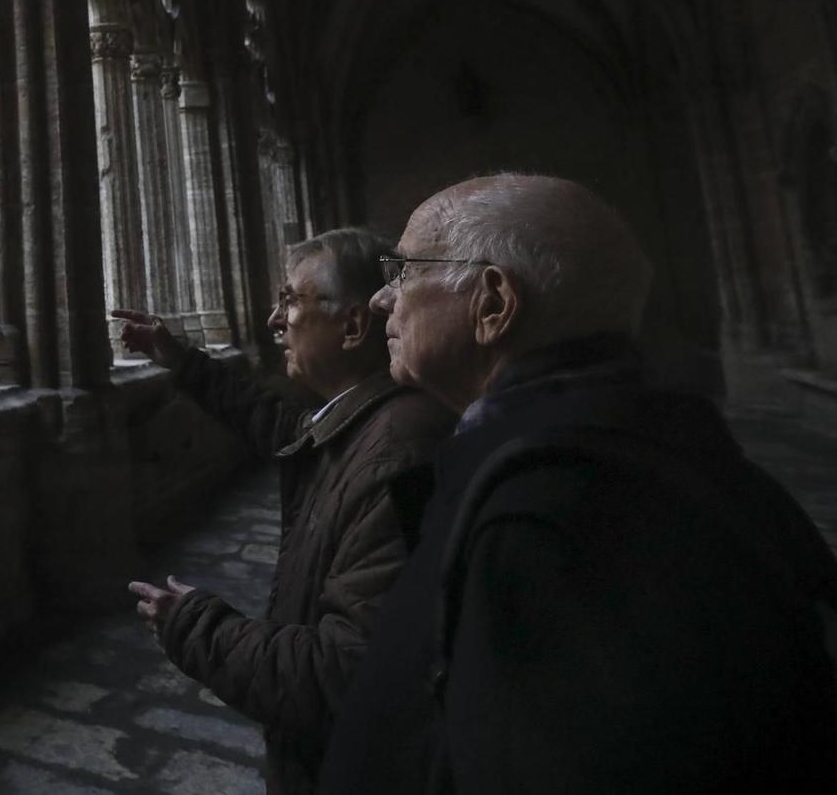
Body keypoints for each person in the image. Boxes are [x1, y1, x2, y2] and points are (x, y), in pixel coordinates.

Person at [318, 173, 837, 795]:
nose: (381, 299)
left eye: (403, 270)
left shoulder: (555, 527)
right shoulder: (643, 447)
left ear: (492, 304)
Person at [116, 227, 454, 795]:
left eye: (290, 300)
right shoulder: (363, 420)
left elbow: (347, 674)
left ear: (352, 326)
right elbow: (276, 425)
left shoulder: (399, 450)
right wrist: (181, 360)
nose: (275, 321)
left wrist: (197, 625)